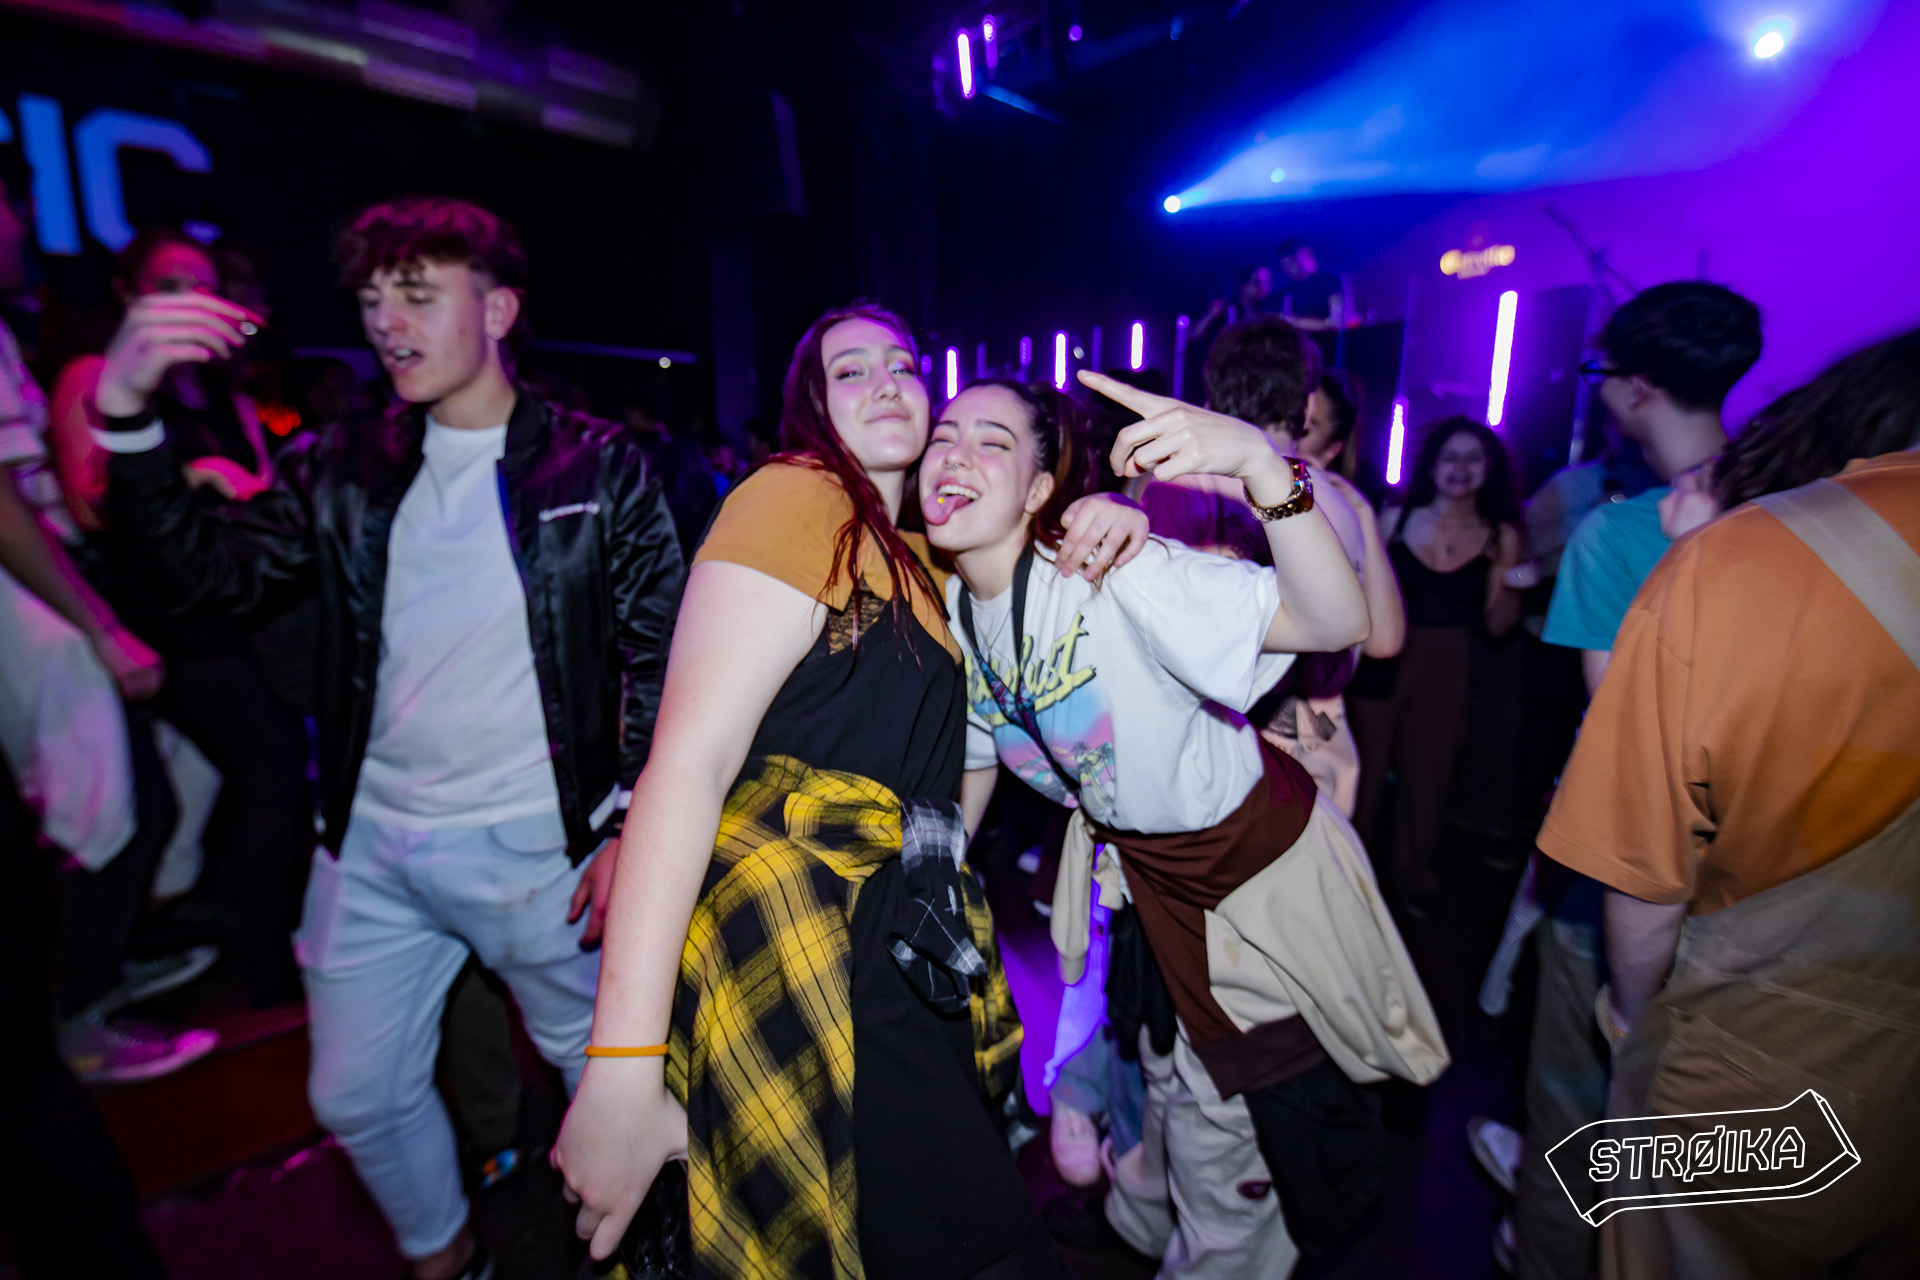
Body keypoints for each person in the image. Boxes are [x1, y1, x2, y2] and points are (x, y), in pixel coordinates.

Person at [90, 195, 686, 1280]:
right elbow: (206, 577)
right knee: (353, 1093)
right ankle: (448, 1258)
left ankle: (645, 1260)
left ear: (498, 309)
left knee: (605, 1077)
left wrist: (632, 826)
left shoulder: (599, 468)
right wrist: (126, 413)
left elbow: (660, 650)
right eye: (371, 300)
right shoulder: (341, 464)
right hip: (371, 848)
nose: (385, 323)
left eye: (416, 294)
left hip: (540, 850)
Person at [553, 302, 1147, 1279]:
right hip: (797, 939)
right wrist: (619, 1068)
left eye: (902, 365)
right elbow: (689, 763)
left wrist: (1107, 515)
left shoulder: (920, 554)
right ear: (812, 405)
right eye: (851, 370)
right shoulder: (797, 495)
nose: (886, 384)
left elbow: (969, 752)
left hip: (892, 939)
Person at [923, 370, 1445, 1278]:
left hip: (1249, 894)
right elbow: (979, 752)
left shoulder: (1114, 574)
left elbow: (1337, 621)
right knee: (1157, 1075)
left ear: (1041, 489)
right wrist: (933, 883)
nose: (956, 455)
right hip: (1143, 888)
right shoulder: (961, 617)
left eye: (991, 442)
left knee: (1226, 1125)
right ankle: (1138, 1225)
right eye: (943, 436)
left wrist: (1261, 465)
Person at [1537, 329, 1920, 1279]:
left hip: (1755, 1048)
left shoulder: (1741, 558)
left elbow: (1644, 869)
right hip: (1881, 1076)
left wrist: (1633, 1024)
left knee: (1649, 1223)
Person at [1500, 281, 1761, 1280]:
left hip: (1631, 871)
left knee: (1579, 1099)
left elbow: (1635, 748)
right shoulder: (1800, 505)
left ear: (1635, 385)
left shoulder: (1617, 534)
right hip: (1770, 875)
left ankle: (1553, 1255)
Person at [50, 227, 313, 1011]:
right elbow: (86, 506)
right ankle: (265, 967)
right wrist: (194, 473)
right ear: (128, 295)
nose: (189, 302)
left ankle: (249, 941)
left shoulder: (224, 392)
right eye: (169, 286)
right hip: (152, 624)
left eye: (201, 287)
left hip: (225, 614)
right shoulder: (98, 374)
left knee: (251, 779)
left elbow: (259, 507)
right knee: (268, 768)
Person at [1347, 417, 1523, 915]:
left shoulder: (1500, 535)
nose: (1460, 468)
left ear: (1489, 468)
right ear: (1430, 465)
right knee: (1362, 770)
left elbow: (1498, 625)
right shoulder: (1395, 519)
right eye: (1450, 456)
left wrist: (1515, 582)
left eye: (1473, 458)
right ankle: (1347, 874)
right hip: (1386, 654)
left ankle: (1412, 875)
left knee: (1430, 775)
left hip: (1449, 661)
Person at [1272, 240, 1346, 331]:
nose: (1288, 267)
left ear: (1306, 254)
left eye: (1293, 260)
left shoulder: (1330, 281)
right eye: (1284, 264)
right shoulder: (1287, 289)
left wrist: (1295, 322)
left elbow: (1337, 321)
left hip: (1326, 338)